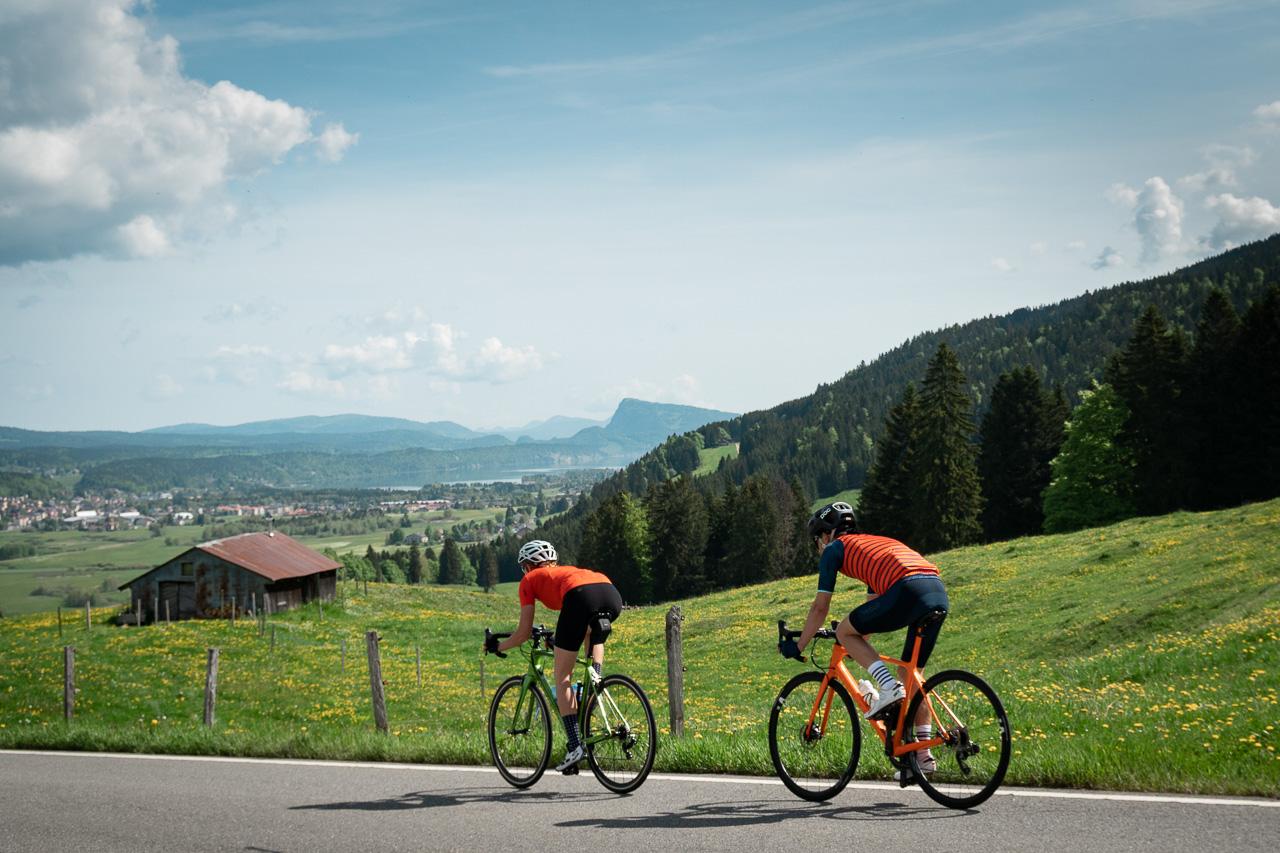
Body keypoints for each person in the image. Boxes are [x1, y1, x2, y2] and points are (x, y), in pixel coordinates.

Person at [779, 502, 949, 777]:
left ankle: (887, 687)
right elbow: (871, 615)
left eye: (818, 540)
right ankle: (921, 756)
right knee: (911, 674)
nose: (819, 546)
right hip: (936, 589)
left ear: (826, 535)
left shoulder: (834, 549)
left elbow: (820, 608)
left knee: (847, 631)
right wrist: (852, 644)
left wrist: (798, 645)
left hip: (907, 587)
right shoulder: (873, 547)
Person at [485, 539, 623, 773]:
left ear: (528, 566)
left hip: (580, 597)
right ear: (552, 561)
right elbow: (579, 623)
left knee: (562, 677)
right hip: (609, 592)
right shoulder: (565, 572)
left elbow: (523, 633)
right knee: (593, 633)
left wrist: (498, 647)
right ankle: (595, 680)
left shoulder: (529, 580)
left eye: (524, 568)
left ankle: (574, 746)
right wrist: (559, 642)